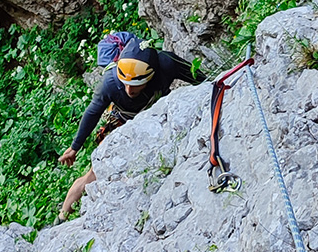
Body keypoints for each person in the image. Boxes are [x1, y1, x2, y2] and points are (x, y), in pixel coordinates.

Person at [55, 38, 205, 222]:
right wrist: (74, 147)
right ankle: (62, 216)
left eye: (135, 84)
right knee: (95, 173)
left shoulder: (166, 63)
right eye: (125, 83)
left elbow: (198, 78)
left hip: (157, 117)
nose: (129, 90)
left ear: (151, 76)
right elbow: (92, 112)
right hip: (122, 123)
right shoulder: (110, 82)